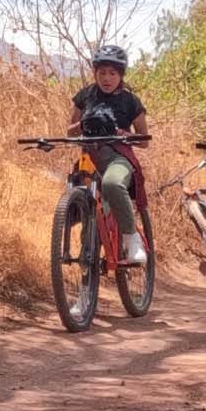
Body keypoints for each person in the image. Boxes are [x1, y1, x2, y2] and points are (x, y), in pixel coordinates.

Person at [66, 45, 150, 266]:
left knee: (112, 184)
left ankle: (132, 241)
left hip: (118, 158)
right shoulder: (85, 95)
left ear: (120, 75)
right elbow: (70, 131)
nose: (106, 78)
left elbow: (144, 140)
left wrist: (124, 134)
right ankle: (87, 269)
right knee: (76, 206)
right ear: (95, 72)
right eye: (102, 72)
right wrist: (82, 124)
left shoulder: (130, 101)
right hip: (89, 159)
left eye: (112, 73)